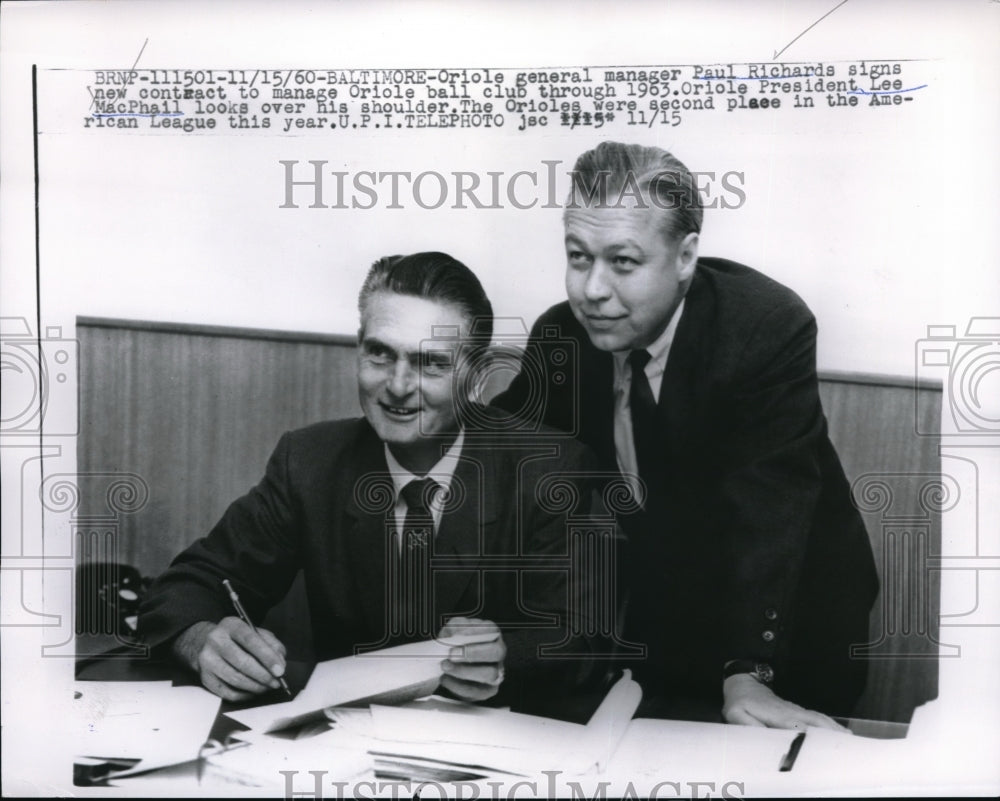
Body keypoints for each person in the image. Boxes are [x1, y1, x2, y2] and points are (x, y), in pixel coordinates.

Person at [492, 142, 879, 729]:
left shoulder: (763, 328)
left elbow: (770, 517)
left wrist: (749, 673)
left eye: (623, 262)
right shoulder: (562, 337)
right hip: (662, 623)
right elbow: (500, 447)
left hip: (790, 621)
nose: (592, 289)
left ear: (686, 257)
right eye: (578, 257)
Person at [139, 251, 600, 710]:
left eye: (430, 363)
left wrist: (506, 658)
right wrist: (200, 639)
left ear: (475, 376)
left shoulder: (550, 470)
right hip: (344, 744)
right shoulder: (310, 462)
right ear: (359, 346)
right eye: (380, 353)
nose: (398, 386)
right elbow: (186, 586)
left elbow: (585, 636)